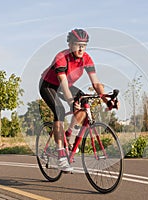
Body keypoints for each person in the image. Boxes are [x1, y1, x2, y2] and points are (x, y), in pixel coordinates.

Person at [39, 28, 117, 172]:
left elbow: (96, 83)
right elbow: (63, 84)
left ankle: (68, 137)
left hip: (66, 85)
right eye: (77, 44)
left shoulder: (86, 59)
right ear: (70, 45)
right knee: (60, 112)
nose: (81, 48)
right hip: (49, 85)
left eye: (84, 44)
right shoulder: (61, 57)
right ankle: (61, 155)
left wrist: (107, 100)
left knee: (84, 106)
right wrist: (70, 101)